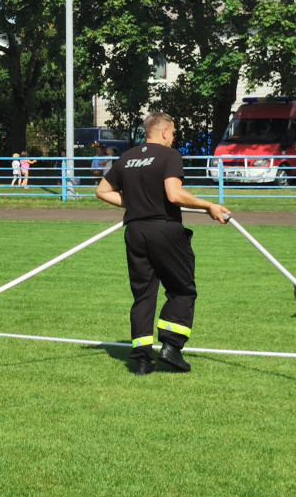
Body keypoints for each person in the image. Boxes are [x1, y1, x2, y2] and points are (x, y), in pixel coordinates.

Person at [96, 111, 230, 375]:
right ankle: (171, 346)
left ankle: (142, 361)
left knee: (144, 294)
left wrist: (134, 203)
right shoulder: (170, 156)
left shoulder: (126, 158)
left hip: (135, 231)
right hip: (164, 230)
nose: (174, 137)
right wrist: (209, 205)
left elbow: (102, 191)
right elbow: (174, 194)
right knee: (182, 289)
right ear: (165, 131)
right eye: (174, 132)